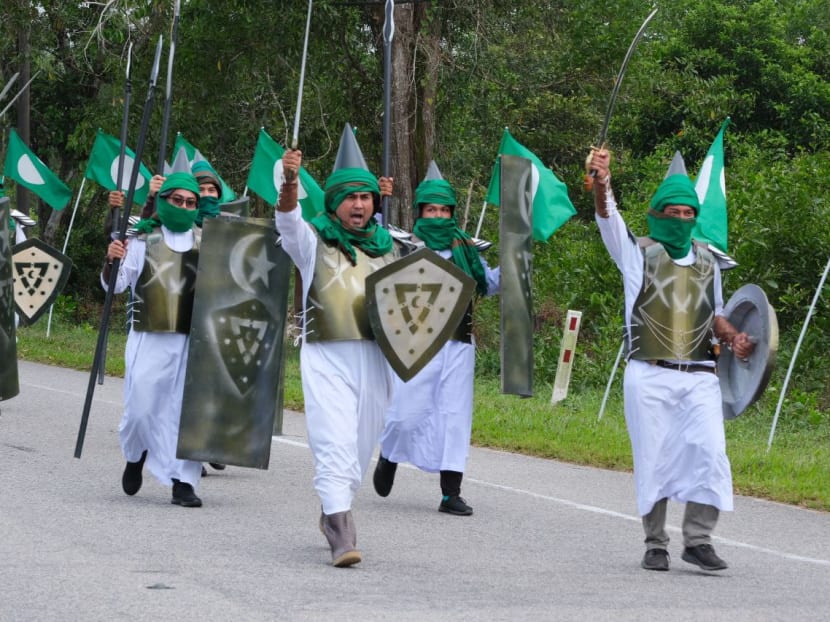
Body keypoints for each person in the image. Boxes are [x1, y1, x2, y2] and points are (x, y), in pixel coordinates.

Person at [587, 148, 754, 572]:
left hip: (699, 374)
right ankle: (656, 543)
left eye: (687, 213)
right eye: (672, 212)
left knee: (710, 452)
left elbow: (715, 314)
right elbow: (609, 220)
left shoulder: (708, 261)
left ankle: (698, 539)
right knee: (655, 455)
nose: (680, 219)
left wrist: (734, 339)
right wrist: (602, 182)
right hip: (650, 373)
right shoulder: (636, 255)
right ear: (657, 213)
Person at [275, 130, 398, 568]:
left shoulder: (391, 249)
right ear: (334, 202)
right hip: (326, 355)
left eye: (366, 197)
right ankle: (341, 532)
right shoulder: (313, 243)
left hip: (375, 361)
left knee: (358, 452)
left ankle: (332, 508)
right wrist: (290, 183)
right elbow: (287, 222)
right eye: (351, 198)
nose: (359, 205)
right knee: (333, 441)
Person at [372, 164, 499, 516]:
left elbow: (486, 284)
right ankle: (388, 456)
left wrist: (518, 260)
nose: (438, 216)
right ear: (421, 212)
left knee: (454, 417)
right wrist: (381, 203)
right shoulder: (406, 246)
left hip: (459, 344)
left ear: (452, 213)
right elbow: (375, 252)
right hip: (416, 343)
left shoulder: (468, 249)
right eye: (431, 210)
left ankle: (450, 493)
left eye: (444, 210)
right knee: (404, 415)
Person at [103, 172, 205, 508]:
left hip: (191, 340)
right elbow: (114, 286)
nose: (184, 206)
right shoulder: (143, 240)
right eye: (177, 200)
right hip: (149, 336)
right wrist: (112, 259)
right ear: (164, 202)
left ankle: (183, 482)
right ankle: (135, 455)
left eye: (191, 202)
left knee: (184, 412)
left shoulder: (207, 242)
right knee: (141, 411)